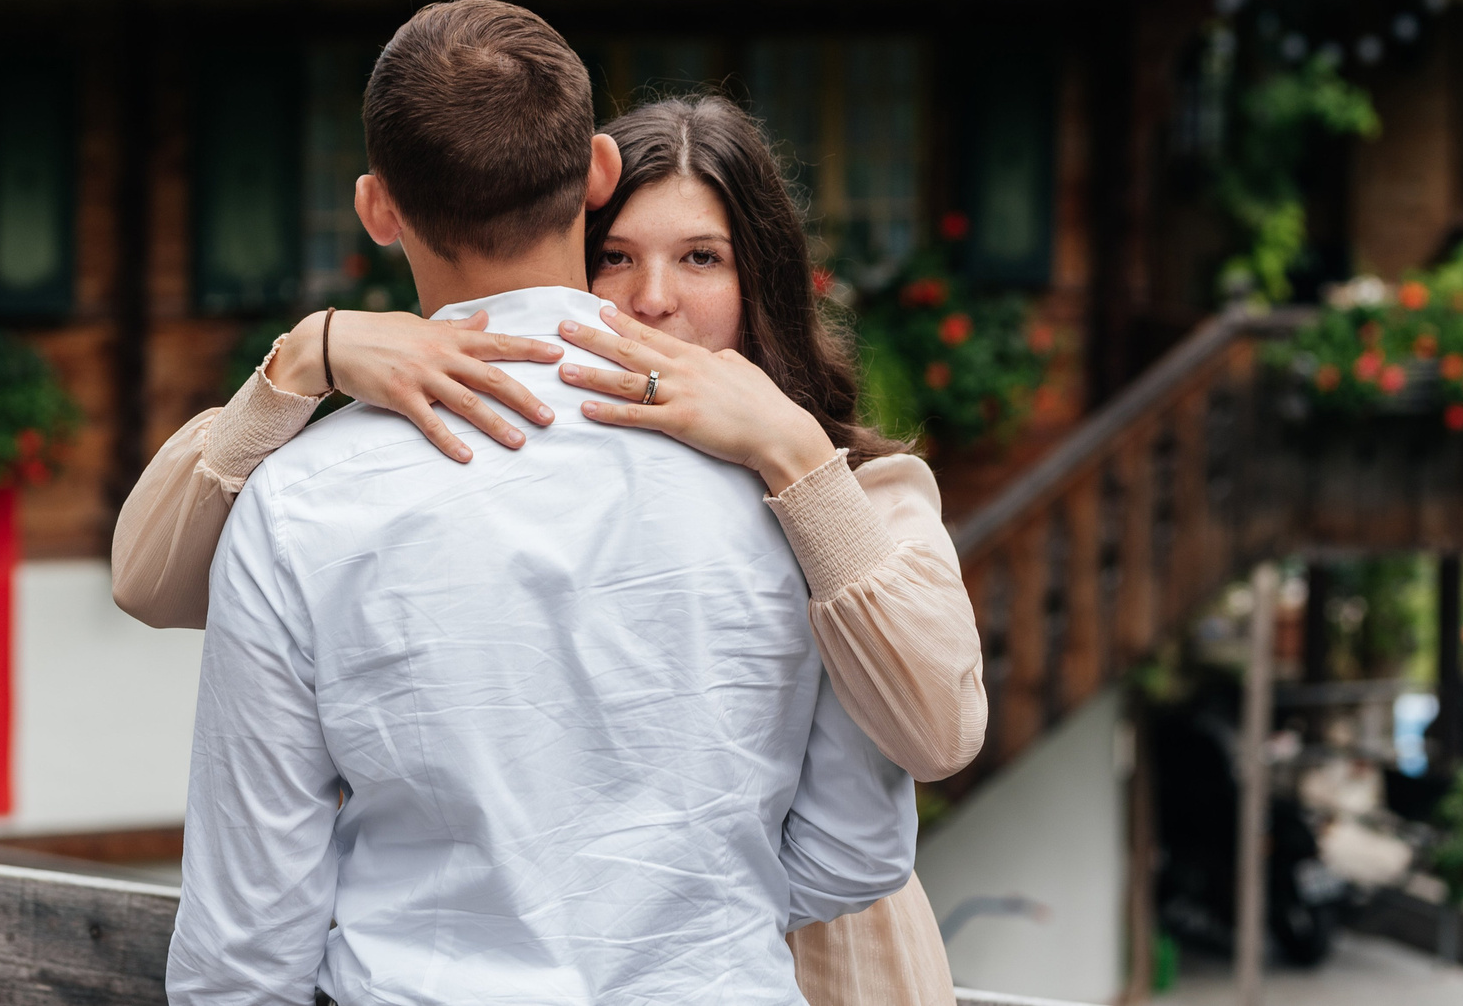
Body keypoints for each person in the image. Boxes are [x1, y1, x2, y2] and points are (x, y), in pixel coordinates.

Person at [122, 83, 985, 1006]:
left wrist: (795, 455)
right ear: (576, 236)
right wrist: (304, 359)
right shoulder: (341, 493)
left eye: (701, 257)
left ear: (760, 279)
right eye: (616, 257)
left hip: (838, 968)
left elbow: (933, 744)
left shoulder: (841, 496)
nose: (653, 301)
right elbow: (149, 578)